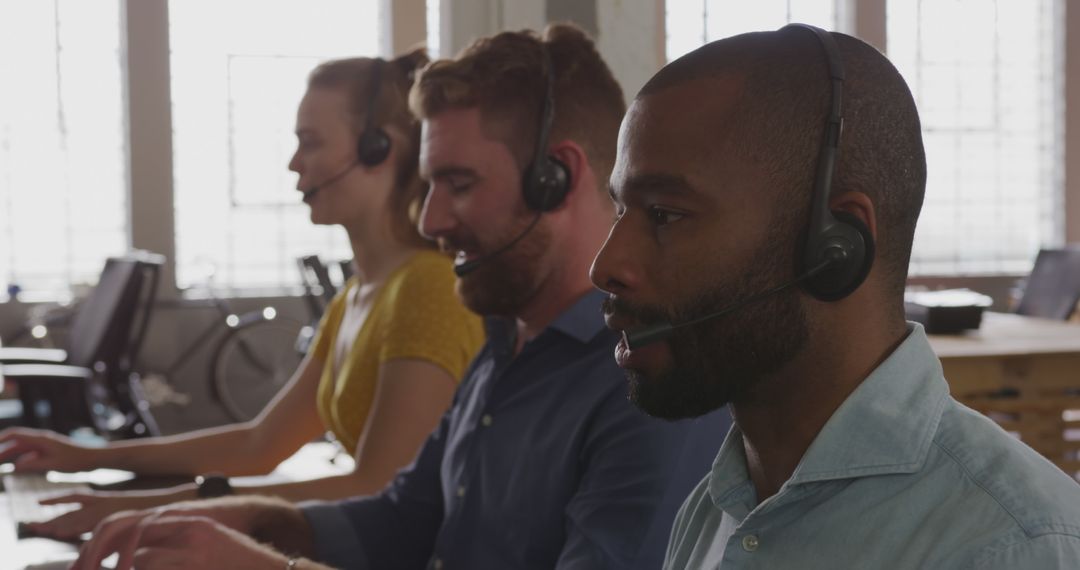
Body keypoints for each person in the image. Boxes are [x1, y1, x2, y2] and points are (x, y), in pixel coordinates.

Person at [69, 23, 731, 570]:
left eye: (460, 182)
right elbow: (405, 518)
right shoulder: (506, 342)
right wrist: (244, 519)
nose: (429, 220)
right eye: (429, 184)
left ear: (556, 177)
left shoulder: (651, 387)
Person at [589, 24, 1080, 569]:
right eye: (619, 211)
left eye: (665, 215)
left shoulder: (1011, 547)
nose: (605, 266)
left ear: (834, 246)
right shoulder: (712, 510)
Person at [0, 49, 484, 541]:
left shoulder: (426, 289)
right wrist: (89, 458)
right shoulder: (361, 293)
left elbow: (372, 488)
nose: (295, 164)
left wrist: (147, 512)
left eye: (310, 143)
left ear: (381, 149)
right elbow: (260, 443)